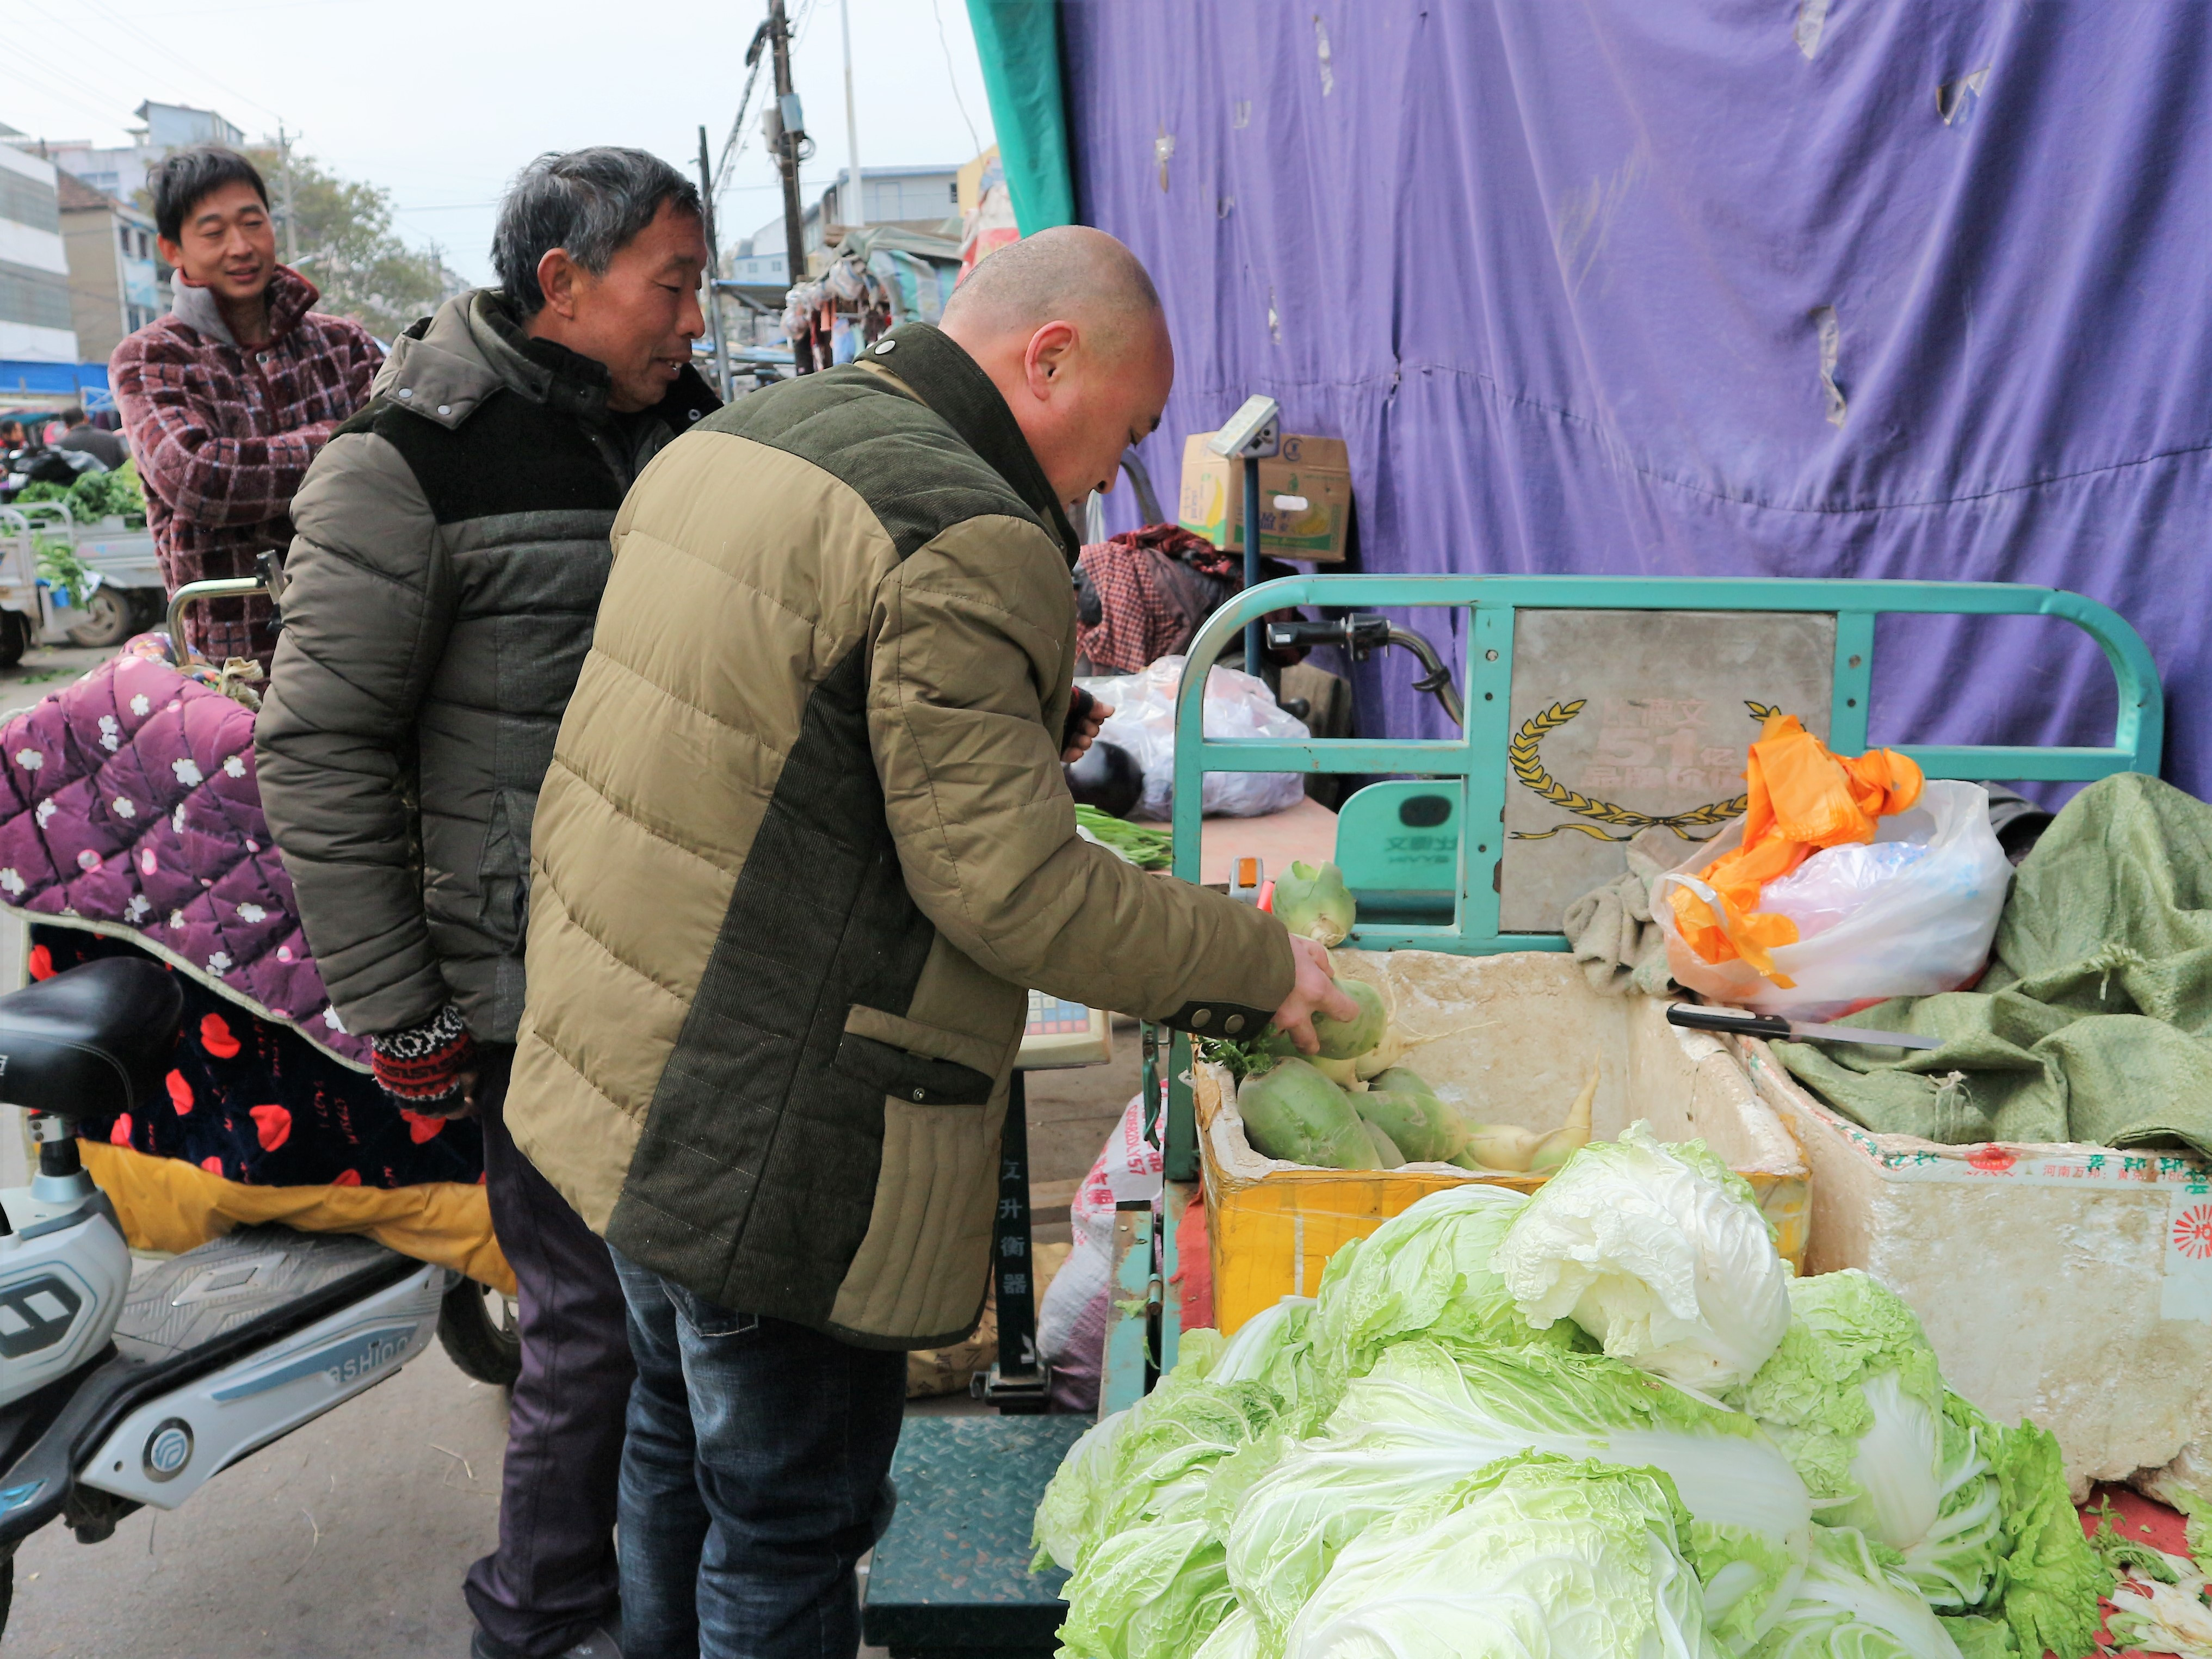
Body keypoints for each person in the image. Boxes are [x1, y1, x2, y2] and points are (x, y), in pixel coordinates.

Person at [505, 225, 1354, 1659]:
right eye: (1128, 432)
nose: (1112, 476)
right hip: (767, 1122)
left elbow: (802, 699)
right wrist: (1260, 964)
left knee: (668, 1452)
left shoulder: (749, 435)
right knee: (784, 1521)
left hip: (614, 1063)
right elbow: (1010, 892)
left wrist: (1055, 727)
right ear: (1048, 360)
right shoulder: (967, 528)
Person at [255, 148, 720, 1659]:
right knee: (589, 1327)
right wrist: (399, 1007)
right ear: (562, 285)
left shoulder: (693, 433)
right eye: (673, 284)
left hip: (689, 952)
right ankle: (537, 1621)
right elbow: (319, 745)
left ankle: (664, 1606)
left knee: (677, 1322)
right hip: (530, 972)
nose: (694, 320)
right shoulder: (404, 463)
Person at [112, 146, 381, 666]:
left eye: (253, 223)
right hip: (235, 659)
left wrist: (271, 465)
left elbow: (402, 451)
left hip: (363, 631)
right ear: (173, 249)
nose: (241, 246)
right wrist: (348, 442)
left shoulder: (342, 343)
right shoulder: (149, 357)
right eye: (213, 233)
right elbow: (201, 478)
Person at [51, 405, 127, 469]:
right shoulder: (110, 438)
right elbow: (124, 466)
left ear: (66, 425)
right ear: (86, 418)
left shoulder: (59, 446)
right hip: (113, 484)